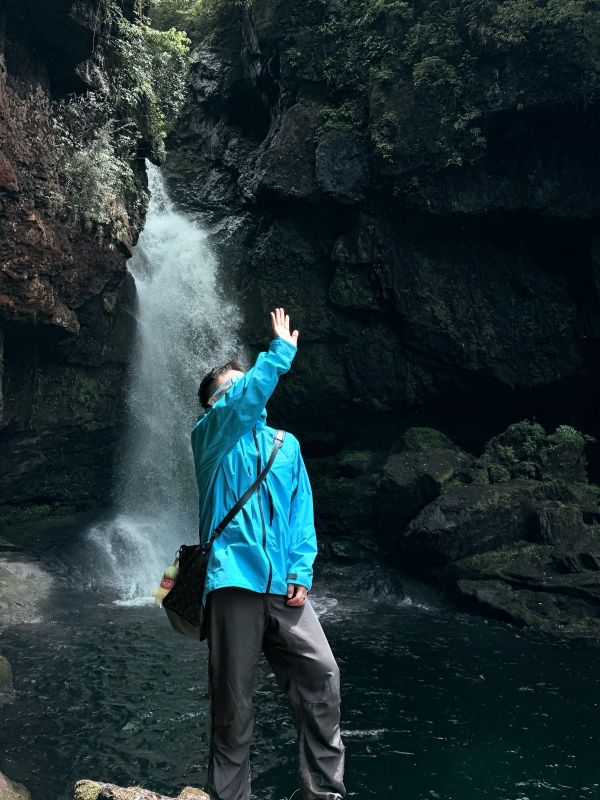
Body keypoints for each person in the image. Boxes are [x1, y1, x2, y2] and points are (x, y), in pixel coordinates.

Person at [191, 307, 346, 800]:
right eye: (232, 388)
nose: (245, 391)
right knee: (233, 704)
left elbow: (301, 513)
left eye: (246, 383)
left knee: (322, 675)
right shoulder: (210, 439)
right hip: (233, 580)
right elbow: (242, 402)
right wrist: (277, 355)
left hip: (282, 584)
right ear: (214, 403)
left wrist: (301, 569)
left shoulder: (287, 445)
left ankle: (324, 793)